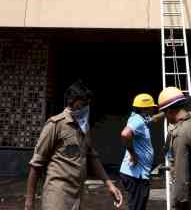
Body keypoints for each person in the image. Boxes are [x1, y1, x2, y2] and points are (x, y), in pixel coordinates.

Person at [25, 81, 123, 210]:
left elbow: (91, 156)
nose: (86, 108)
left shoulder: (84, 126)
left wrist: (110, 184)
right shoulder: (55, 125)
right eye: (82, 104)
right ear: (72, 102)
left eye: (87, 104)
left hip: (78, 196)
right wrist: (29, 202)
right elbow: (36, 165)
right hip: (57, 197)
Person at [120, 93, 164, 210]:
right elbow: (125, 134)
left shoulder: (141, 118)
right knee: (137, 207)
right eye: (151, 107)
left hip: (136, 174)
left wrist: (167, 111)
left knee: (137, 206)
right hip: (136, 175)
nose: (153, 109)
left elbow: (153, 119)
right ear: (145, 108)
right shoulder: (137, 120)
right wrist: (132, 154)